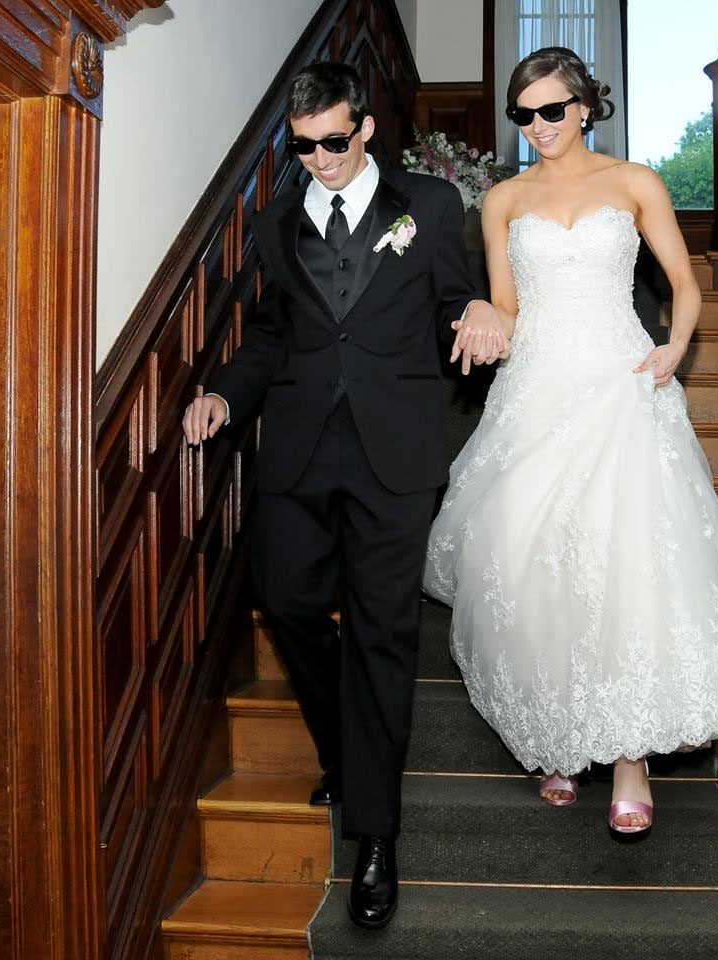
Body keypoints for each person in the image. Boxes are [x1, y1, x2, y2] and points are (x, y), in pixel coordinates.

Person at [426, 46, 718, 834]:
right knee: (530, 563)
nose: (537, 126)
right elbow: (510, 304)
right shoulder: (502, 199)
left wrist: (676, 346)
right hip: (536, 391)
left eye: (551, 109)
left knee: (624, 562)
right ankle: (560, 735)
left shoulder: (635, 182)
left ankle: (630, 757)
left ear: (583, 107)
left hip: (621, 381)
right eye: (523, 114)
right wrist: (486, 316)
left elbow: (685, 283)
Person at [182, 62, 508, 929]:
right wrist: (225, 395)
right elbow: (274, 333)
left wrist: (477, 309)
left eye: (334, 141)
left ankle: (374, 836)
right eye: (304, 146)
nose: (320, 159)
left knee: (380, 635)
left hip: (394, 453)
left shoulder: (428, 204)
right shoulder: (279, 219)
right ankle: (346, 746)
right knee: (284, 598)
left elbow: (452, 298)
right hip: (299, 446)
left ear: (364, 128)